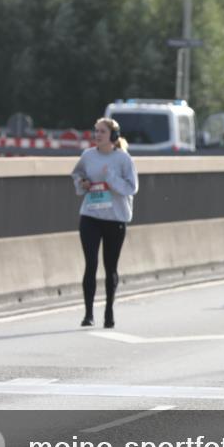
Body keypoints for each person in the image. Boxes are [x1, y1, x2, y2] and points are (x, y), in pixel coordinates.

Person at [71, 118, 139, 328]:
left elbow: (132, 188)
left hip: (115, 219)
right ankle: (88, 314)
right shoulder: (88, 156)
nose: (97, 135)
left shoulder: (123, 159)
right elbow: (77, 174)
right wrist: (82, 183)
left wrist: (111, 179)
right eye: (96, 131)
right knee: (91, 264)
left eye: (102, 131)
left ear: (113, 136)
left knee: (110, 267)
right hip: (91, 216)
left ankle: (109, 311)